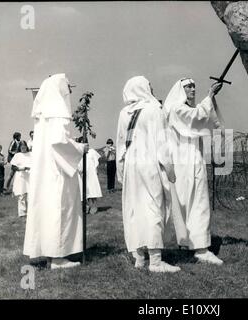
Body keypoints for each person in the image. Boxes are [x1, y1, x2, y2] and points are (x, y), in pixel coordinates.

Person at [23, 73, 87, 269]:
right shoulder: (58, 114)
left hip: (45, 173)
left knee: (48, 211)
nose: (68, 92)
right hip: (57, 171)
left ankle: (51, 254)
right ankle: (58, 258)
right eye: (67, 88)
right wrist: (80, 148)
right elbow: (59, 143)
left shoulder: (43, 116)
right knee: (59, 209)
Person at [116, 75, 179, 273]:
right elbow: (162, 141)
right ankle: (156, 261)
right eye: (149, 86)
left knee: (135, 209)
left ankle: (139, 257)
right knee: (153, 207)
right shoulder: (154, 109)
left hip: (131, 166)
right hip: (149, 163)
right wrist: (170, 168)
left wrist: (121, 171)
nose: (152, 89)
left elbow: (120, 144)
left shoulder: (124, 113)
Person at [163, 78, 224, 265]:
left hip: (187, 160)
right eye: (188, 86)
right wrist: (210, 95)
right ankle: (201, 248)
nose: (192, 89)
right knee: (196, 202)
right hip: (186, 161)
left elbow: (201, 117)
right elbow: (197, 117)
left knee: (189, 202)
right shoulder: (177, 108)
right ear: (179, 90)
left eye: (193, 85)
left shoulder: (180, 109)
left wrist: (209, 99)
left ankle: (190, 242)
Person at [77, 137, 102, 214]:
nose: (86, 146)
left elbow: (96, 162)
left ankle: (94, 206)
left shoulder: (91, 152)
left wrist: (96, 170)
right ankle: (86, 206)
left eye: (87, 144)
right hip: (82, 174)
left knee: (92, 190)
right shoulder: (79, 153)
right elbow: (78, 164)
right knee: (84, 191)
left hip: (91, 174)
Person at [10, 141, 31, 217]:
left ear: (26, 146)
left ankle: (31, 212)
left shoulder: (31, 154)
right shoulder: (17, 155)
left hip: (29, 176)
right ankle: (22, 213)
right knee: (21, 194)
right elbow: (13, 167)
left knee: (30, 194)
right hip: (20, 176)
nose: (23, 148)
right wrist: (21, 168)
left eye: (24, 146)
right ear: (19, 147)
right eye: (21, 147)